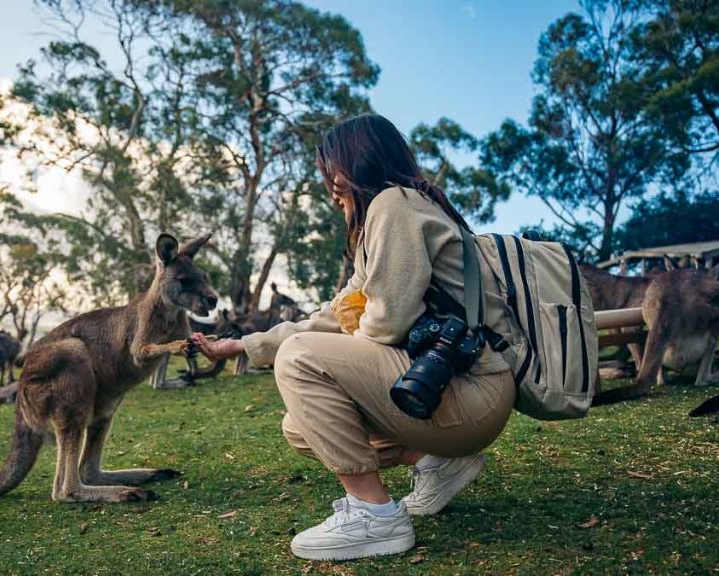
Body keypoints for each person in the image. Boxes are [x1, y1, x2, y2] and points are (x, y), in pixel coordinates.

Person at [192, 113, 516, 562]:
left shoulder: (394, 205)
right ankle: (435, 461)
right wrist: (246, 346)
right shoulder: (385, 219)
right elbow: (336, 314)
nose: (330, 187)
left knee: (301, 358)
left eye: (332, 172)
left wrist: (312, 351)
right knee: (301, 426)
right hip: (445, 391)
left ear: (358, 161)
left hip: (470, 389)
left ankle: (374, 517)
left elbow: (386, 322)